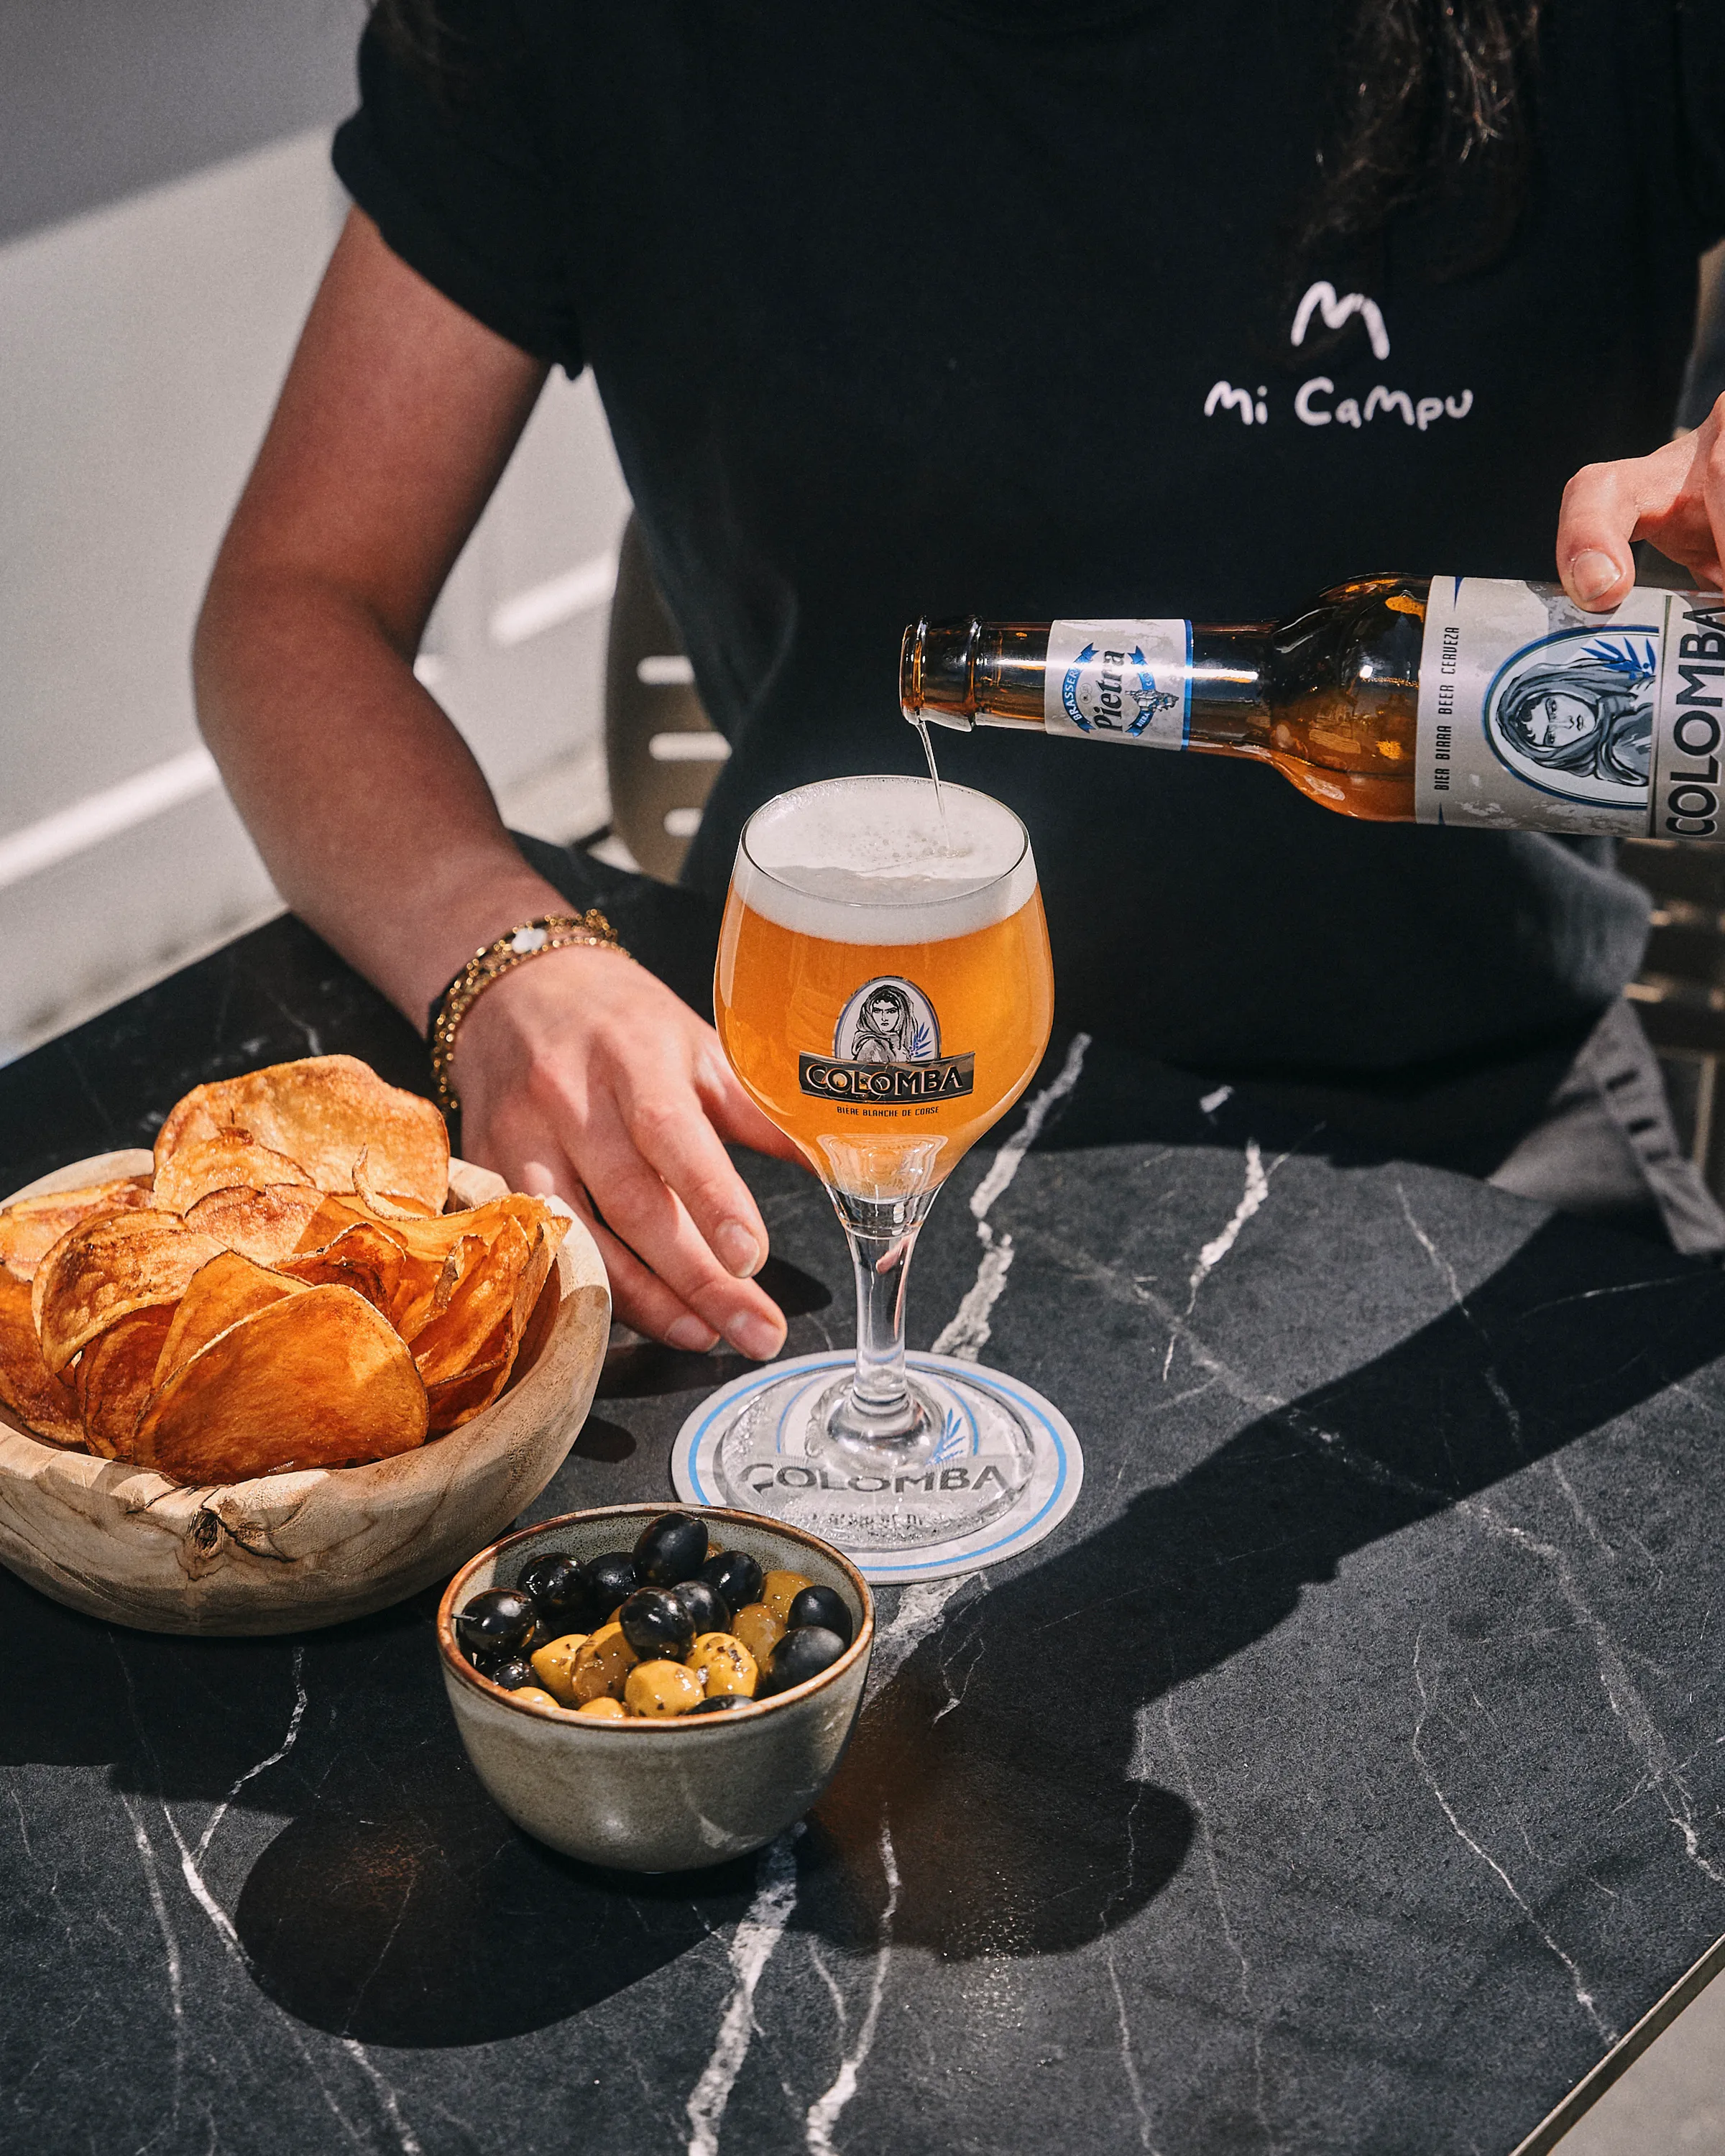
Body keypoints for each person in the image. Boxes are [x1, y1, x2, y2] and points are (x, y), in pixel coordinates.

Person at [194, 0, 1725, 1355]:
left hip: (1475, 1121)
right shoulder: (581, 35)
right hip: (808, 1123)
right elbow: (294, 604)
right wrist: (500, 956)